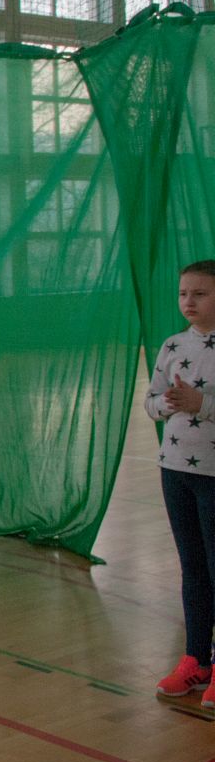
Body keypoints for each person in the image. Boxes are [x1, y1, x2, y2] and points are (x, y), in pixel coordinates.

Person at [147, 260, 215, 708]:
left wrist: (201, 403)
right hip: (175, 469)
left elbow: (201, 404)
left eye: (200, 294)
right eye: (183, 293)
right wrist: (169, 404)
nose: (188, 301)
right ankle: (196, 660)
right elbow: (151, 402)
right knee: (193, 569)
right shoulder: (173, 344)